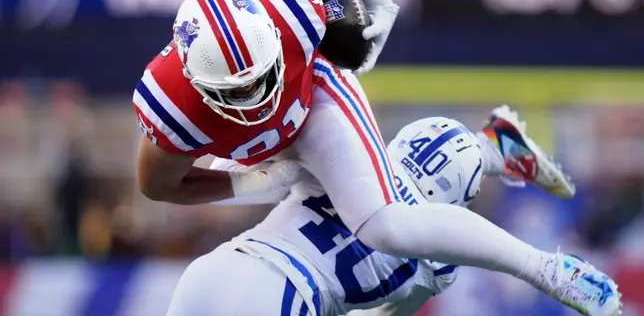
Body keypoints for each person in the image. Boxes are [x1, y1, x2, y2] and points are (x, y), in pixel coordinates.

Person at [132, 0, 617, 314]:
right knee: (388, 225)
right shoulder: (174, 110)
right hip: (265, 171)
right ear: (199, 84)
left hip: (315, 101)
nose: (257, 94)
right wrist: (252, 182)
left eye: (259, 75)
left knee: (386, 227)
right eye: (237, 89)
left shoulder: (288, 14)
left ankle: (550, 271)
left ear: (271, 38)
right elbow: (159, 185)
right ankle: (494, 150)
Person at [165, 107, 621, 316]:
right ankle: (550, 268)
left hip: (220, 266)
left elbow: (260, 172)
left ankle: (498, 150)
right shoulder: (437, 256)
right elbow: (434, 228)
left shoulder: (347, 167)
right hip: (282, 298)